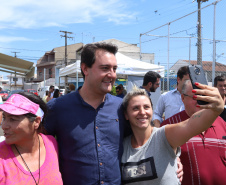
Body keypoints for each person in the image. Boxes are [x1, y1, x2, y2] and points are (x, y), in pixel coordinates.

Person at [45, 43, 126, 185]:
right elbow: (35, 145)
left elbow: (142, 140)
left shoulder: (122, 107)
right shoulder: (57, 108)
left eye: (114, 69)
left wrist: (173, 158)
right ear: (85, 68)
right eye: (105, 68)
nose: (112, 74)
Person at [121, 83, 224, 185]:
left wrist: (216, 108)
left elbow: (190, 125)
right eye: (135, 108)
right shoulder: (121, 147)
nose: (142, 112)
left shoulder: (164, 136)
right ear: (126, 114)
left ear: (152, 110)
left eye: (146, 107)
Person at [161, 80, 226, 185]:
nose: (199, 101)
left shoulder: (221, 123)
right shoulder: (169, 126)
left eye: (203, 96)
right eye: (195, 97)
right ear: (182, 98)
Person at [0, 92, 63, 184]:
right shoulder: (2, 157)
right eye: (4, 118)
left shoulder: (51, 144)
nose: (4, 126)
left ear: (36, 122)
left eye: (12, 119)